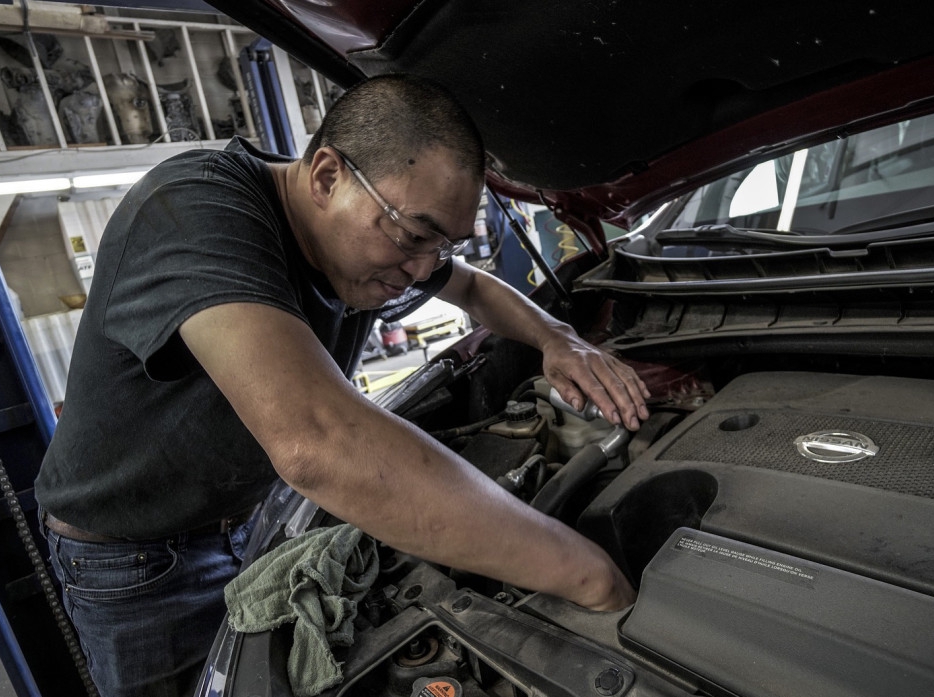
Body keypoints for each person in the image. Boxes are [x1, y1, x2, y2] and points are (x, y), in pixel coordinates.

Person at [34, 74, 648, 697]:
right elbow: (317, 441)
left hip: (253, 519)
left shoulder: (361, 240)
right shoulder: (194, 212)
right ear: (327, 176)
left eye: (442, 244)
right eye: (414, 236)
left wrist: (554, 338)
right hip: (138, 562)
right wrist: (585, 574)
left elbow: (470, 285)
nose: (421, 268)